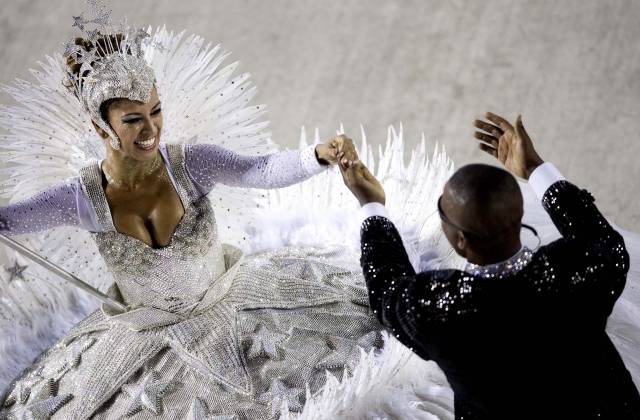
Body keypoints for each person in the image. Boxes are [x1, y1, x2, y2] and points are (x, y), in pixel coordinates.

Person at [0, 16, 385, 420]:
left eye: (156, 110)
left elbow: (261, 171)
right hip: (142, 346)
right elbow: (9, 221)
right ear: (101, 128)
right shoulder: (81, 198)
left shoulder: (192, 164)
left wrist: (318, 155)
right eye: (132, 120)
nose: (151, 129)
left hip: (239, 309)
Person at [339, 111, 640, 419]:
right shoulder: (578, 268)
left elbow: (388, 290)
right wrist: (535, 169)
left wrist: (372, 205)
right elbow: (600, 237)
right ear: (522, 212)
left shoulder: (443, 308)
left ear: (459, 239)